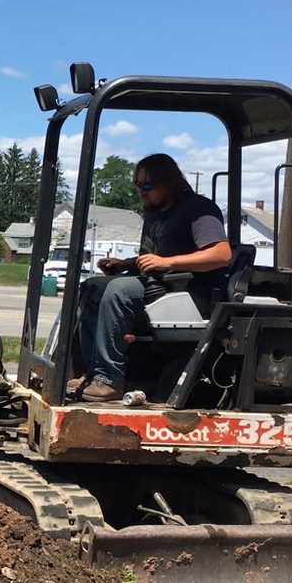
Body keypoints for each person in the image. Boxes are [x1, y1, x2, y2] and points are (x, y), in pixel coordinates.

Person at [68, 153, 232, 402]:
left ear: (169, 182)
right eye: (137, 184)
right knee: (93, 286)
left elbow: (221, 254)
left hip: (189, 292)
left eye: (147, 185)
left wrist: (168, 262)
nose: (141, 191)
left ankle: (109, 379)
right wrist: (126, 263)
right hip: (160, 286)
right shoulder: (154, 213)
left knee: (119, 291)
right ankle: (91, 372)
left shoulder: (198, 209)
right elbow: (153, 258)